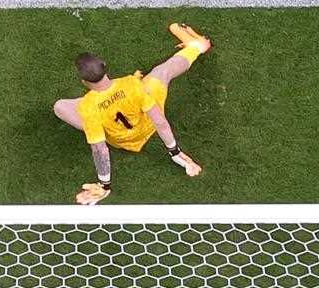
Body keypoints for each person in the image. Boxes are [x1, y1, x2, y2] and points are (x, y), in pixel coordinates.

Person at [54, 23, 210, 205]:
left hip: (121, 140)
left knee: (60, 106)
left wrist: (104, 185)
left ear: (84, 81)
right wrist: (175, 152)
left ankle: (96, 126)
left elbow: (99, 149)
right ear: (105, 67)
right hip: (147, 125)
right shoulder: (131, 83)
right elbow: (159, 121)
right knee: (162, 72)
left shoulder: (88, 106)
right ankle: (198, 46)